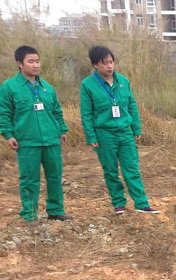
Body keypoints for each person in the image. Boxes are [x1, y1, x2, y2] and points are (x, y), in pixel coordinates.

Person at [80, 46, 159, 215]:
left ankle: (141, 203)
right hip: (104, 134)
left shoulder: (123, 81)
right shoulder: (87, 85)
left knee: (131, 168)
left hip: (125, 131)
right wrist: (90, 135)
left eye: (111, 62)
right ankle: (118, 203)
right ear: (95, 65)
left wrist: (136, 127)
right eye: (104, 63)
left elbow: (132, 105)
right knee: (110, 170)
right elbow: (86, 113)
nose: (109, 66)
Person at [0, 45, 71, 222]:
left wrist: (62, 129)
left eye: (37, 61)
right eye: (31, 61)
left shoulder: (47, 87)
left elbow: (56, 111)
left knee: (54, 176)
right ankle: (29, 213)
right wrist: (8, 134)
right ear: (19, 64)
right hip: (27, 141)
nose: (35, 65)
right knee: (29, 179)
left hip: (51, 140)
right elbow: (4, 113)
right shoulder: (9, 87)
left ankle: (55, 210)